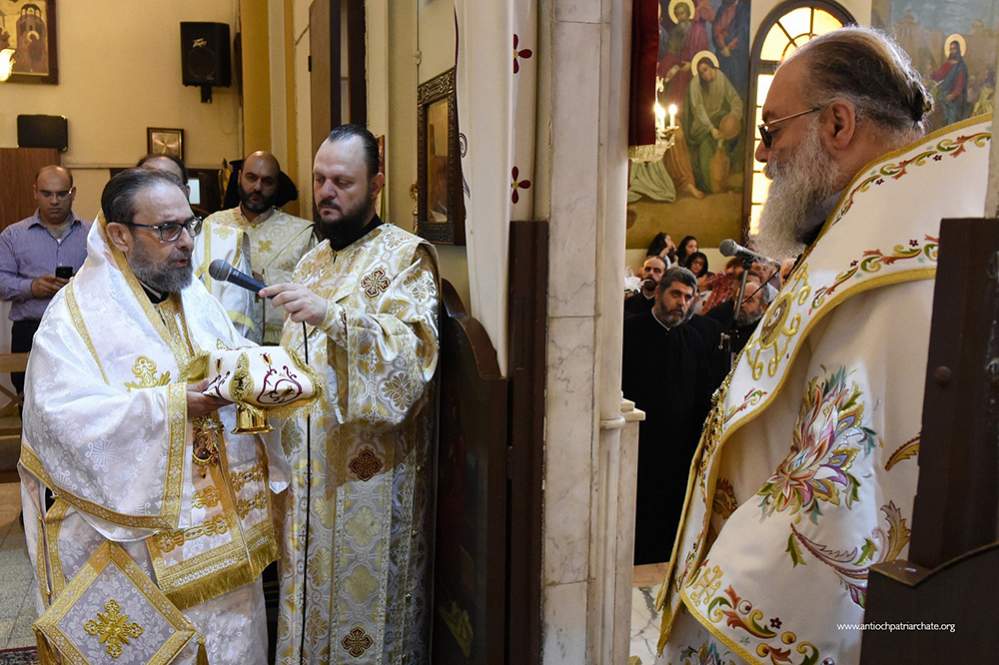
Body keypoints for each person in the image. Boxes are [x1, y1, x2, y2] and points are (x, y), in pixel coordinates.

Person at [657, 27, 990, 665]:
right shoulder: (874, 239)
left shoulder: (886, 279)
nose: (762, 155)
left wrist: (707, 628)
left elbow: (833, 500)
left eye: (771, 131)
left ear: (838, 123)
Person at [18, 169, 282, 665]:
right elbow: (56, 422)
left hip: (220, 540)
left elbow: (232, 354)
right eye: (167, 229)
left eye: (190, 224)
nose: (186, 242)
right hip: (137, 546)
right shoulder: (75, 317)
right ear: (120, 235)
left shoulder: (197, 299)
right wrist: (171, 406)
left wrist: (265, 374)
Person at [261, 124, 439, 664]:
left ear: (376, 184)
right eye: (320, 179)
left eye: (342, 181)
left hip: (368, 483)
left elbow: (411, 363)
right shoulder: (313, 260)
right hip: (308, 483)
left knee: (363, 629)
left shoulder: (407, 257)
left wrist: (335, 319)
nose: (326, 192)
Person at [622, 266, 718, 565]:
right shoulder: (629, 332)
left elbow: (703, 394)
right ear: (659, 293)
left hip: (678, 447)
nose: (682, 302)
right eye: (676, 294)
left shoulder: (694, 339)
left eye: (688, 297)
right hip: (640, 444)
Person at [194, 150, 315, 344]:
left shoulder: (302, 234)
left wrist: (264, 280)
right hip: (223, 341)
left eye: (267, 181)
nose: (258, 187)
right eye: (251, 178)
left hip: (281, 345)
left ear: (277, 185)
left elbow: (314, 289)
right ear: (239, 177)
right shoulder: (213, 225)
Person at [0, 166, 89, 393]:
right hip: (30, 329)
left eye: (61, 194)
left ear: (73, 193)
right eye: (47, 193)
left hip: (81, 328)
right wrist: (31, 287)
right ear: (35, 192)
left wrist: (78, 286)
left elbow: (109, 281)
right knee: (27, 396)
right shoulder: (13, 235)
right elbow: (1, 281)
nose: (54, 201)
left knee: (80, 395)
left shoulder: (92, 235)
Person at [683, 56, 744, 194]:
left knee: (727, 144)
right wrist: (711, 129)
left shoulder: (721, 77)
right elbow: (698, 110)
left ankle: (723, 180)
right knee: (706, 146)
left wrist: (733, 116)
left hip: (718, 119)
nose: (704, 75)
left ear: (712, 66)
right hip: (701, 125)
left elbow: (735, 98)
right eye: (701, 73)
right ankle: (709, 186)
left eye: (706, 70)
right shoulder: (695, 83)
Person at [931, 40, 969, 126]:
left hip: (955, 98)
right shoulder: (947, 64)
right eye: (951, 49)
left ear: (958, 50)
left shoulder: (961, 66)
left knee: (951, 116)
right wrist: (931, 74)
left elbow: (960, 84)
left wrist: (953, 95)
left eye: (954, 49)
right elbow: (939, 75)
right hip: (943, 95)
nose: (952, 51)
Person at [625, 254, 668, 319]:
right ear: (642, 271)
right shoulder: (629, 302)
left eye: (657, 270)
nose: (651, 273)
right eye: (647, 269)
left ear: (664, 275)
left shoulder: (666, 305)